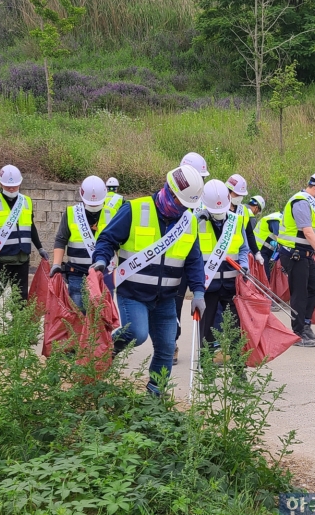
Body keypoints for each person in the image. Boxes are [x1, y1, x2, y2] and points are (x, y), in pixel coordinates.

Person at [91, 165, 205, 395]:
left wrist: (199, 291)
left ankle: (155, 398)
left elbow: (194, 261)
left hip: (166, 299)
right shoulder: (135, 209)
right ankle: (106, 349)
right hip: (133, 293)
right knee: (137, 333)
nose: (185, 209)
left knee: (166, 346)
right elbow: (107, 239)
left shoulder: (189, 222)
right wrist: (101, 260)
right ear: (171, 193)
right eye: (183, 203)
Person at [0, 164, 48, 315]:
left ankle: (19, 330)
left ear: (20, 183)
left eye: (14, 186)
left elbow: (31, 227)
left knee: (21, 298)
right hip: (0, 258)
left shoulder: (26, 201)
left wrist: (40, 247)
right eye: (8, 186)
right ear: (1, 184)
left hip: (22, 258)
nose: (11, 189)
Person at [276, 171, 315, 347]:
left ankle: (306, 323)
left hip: (305, 254)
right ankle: (297, 332)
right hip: (294, 254)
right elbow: (307, 231)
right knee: (299, 293)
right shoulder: (300, 202)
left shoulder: (309, 202)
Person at [195, 179, 256, 349]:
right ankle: (206, 368)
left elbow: (243, 248)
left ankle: (238, 368)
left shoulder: (235, 221)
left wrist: (245, 266)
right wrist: (196, 219)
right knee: (206, 330)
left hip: (232, 284)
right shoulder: (197, 222)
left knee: (236, 329)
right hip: (208, 284)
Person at [51, 176, 109, 310]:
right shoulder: (72, 213)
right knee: (78, 317)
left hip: (104, 274)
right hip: (77, 273)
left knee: (101, 318)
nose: (94, 205)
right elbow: (61, 239)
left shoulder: (112, 214)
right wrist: (56, 264)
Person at [173, 152, 210, 353]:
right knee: (174, 303)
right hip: (177, 259)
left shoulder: (206, 196)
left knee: (202, 301)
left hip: (198, 259)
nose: (202, 181)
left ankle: (207, 347)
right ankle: (172, 342)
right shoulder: (173, 196)